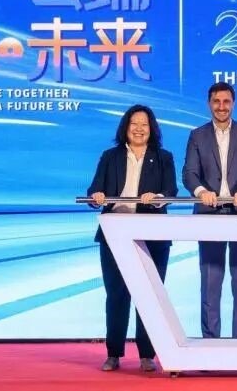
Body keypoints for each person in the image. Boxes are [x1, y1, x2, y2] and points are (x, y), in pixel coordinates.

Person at [88, 104, 176, 373]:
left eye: (144, 124)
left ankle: (147, 354)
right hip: (115, 233)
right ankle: (113, 353)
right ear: (126, 127)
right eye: (134, 124)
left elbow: (170, 191)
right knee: (116, 294)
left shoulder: (163, 157)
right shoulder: (110, 156)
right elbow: (94, 190)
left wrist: (158, 198)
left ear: (152, 129)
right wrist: (97, 197)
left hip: (152, 234)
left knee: (150, 296)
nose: (139, 129)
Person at [181, 81, 237, 338]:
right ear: (209, 104)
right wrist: (201, 192)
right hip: (210, 214)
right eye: (216, 101)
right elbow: (189, 173)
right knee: (210, 283)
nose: (221, 106)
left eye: (226, 101)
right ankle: (210, 344)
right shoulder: (197, 135)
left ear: (233, 104)